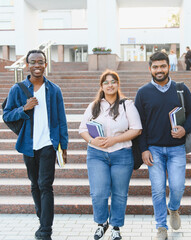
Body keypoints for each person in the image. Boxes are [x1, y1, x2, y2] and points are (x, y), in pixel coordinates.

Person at [3, 50, 68, 240]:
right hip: (28, 145)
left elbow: (61, 120)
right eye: (33, 62)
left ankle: (46, 230)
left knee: (45, 185)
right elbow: (7, 115)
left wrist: (63, 146)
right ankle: (43, 219)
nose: (37, 65)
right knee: (35, 184)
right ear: (27, 65)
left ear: (46, 64)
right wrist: (24, 108)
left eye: (41, 62)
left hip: (49, 144)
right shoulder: (18, 89)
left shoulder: (54, 90)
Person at [134, 52, 191, 240]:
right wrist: (144, 149)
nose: (159, 70)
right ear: (150, 69)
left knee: (178, 186)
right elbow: (139, 124)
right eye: (155, 67)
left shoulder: (181, 89)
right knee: (158, 188)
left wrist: (184, 130)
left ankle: (174, 208)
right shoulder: (143, 92)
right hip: (153, 149)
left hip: (177, 148)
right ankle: (161, 226)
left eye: (162, 66)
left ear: (169, 67)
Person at [79, 70, 142, 240]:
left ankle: (115, 226)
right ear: (101, 86)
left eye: (113, 81)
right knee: (98, 192)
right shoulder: (94, 106)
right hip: (97, 154)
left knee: (120, 193)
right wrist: (93, 142)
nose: (110, 85)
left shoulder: (126, 105)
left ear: (118, 84)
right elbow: (83, 129)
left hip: (121, 153)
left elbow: (137, 129)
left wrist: (115, 140)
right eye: (106, 82)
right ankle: (101, 223)